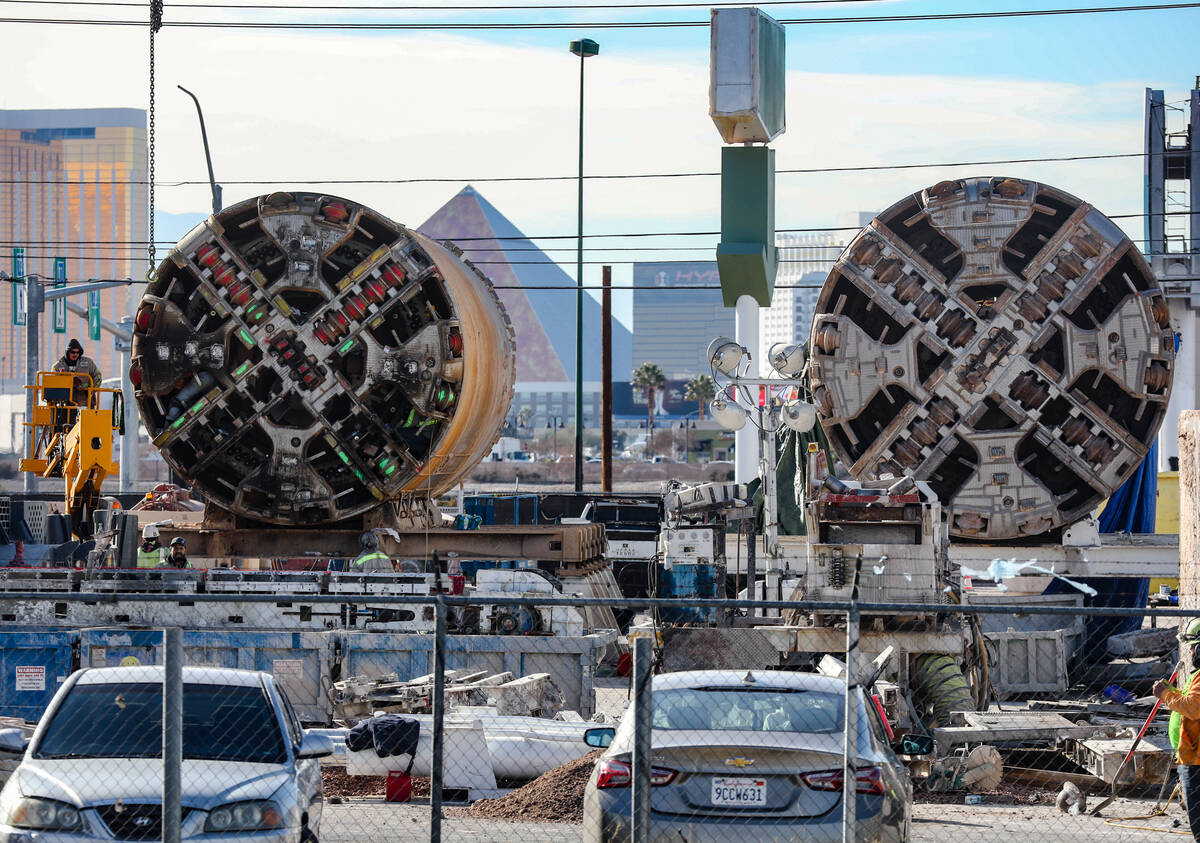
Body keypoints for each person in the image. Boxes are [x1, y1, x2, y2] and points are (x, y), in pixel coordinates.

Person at [1154, 619, 1200, 841]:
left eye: (1192, 648)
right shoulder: (1197, 676)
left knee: (1198, 816)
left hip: (1196, 757)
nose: (1190, 652)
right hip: (1192, 754)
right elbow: (1191, 700)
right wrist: (1172, 692)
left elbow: (1193, 707)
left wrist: (1165, 694)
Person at [52, 338, 102, 408]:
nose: (75, 354)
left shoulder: (88, 363)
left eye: (77, 352)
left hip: (86, 403)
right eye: (73, 352)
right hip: (65, 405)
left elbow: (98, 376)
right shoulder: (57, 366)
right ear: (67, 352)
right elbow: (52, 383)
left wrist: (91, 390)